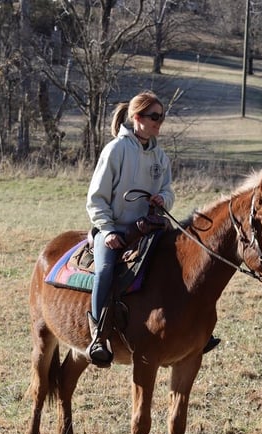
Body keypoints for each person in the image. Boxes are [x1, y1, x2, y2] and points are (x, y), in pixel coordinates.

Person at [85, 90, 219, 366]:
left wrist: (164, 199)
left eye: (162, 117)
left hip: (150, 229)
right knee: (106, 270)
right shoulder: (115, 150)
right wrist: (108, 230)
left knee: (183, 264)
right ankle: (98, 335)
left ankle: (195, 332)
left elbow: (168, 190)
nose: (159, 122)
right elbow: (95, 198)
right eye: (154, 116)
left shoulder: (159, 156)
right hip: (115, 231)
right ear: (137, 117)